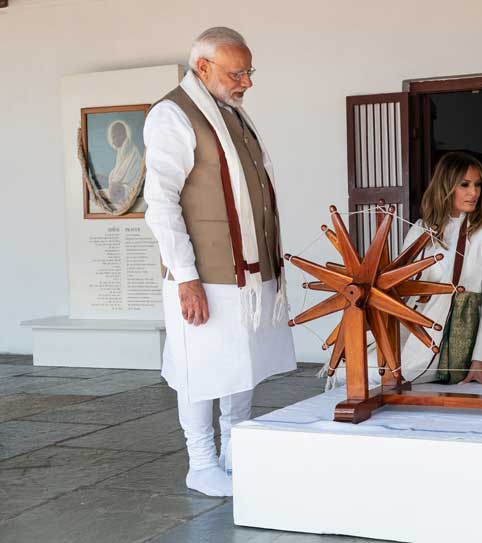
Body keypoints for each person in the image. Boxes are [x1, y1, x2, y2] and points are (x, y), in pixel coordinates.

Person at [143, 27, 296, 497]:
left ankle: (234, 451)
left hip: (246, 276)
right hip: (204, 277)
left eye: (249, 71)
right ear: (203, 68)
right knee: (201, 368)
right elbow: (161, 201)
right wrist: (185, 278)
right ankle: (202, 461)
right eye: (238, 72)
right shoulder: (173, 114)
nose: (247, 81)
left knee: (240, 365)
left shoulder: (233, 115)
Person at [399, 152, 482, 385]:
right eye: (465, 185)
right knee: (359, 369)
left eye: (478, 185)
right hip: (414, 324)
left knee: (397, 375)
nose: (474, 193)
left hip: (455, 334)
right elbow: (400, 286)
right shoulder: (421, 229)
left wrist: (480, 362)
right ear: (445, 186)